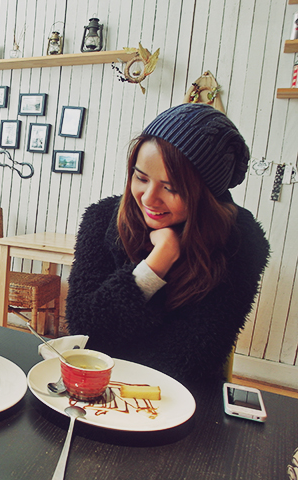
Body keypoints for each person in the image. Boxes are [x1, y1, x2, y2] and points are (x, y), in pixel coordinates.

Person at [66, 103, 270, 385]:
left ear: (207, 195)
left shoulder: (239, 242)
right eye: (141, 177)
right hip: (96, 384)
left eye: (171, 188)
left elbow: (190, 360)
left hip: (178, 396)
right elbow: (84, 330)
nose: (149, 198)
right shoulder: (102, 219)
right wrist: (154, 266)